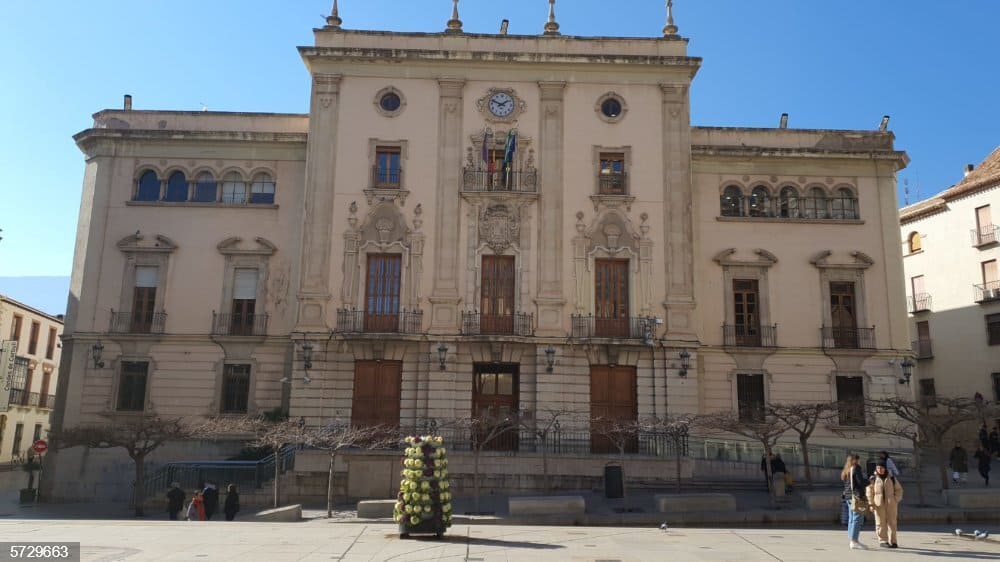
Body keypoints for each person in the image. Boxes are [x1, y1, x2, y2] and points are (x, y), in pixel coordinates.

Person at [866, 462, 903, 548]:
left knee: (892, 523)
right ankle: (883, 541)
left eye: (882, 468)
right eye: (878, 468)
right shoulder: (873, 479)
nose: (880, 470)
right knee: (880, 523)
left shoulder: (892, 478)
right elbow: (869, 492)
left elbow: (899, 490)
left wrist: (895, 499)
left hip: (891, 504)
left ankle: (893, 541)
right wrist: (871, 504)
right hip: (878, 504)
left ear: (885, 468)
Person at [841, 453, 868, 549]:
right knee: (857, 518)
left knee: (851, 518)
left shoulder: (846, 470)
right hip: (856, 496)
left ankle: (852, 540)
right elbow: (860, 483)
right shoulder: (856, 468)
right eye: (858, 459)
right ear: (856, 460)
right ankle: (854, 541)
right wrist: (870, 481)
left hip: (848, 496)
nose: (859, 461)